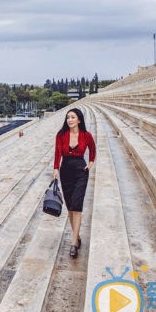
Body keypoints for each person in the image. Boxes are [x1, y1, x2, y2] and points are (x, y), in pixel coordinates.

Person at [53, 108, 96, 259]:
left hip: (80, 171)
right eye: (68, 118)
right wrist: (56, 169)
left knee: (77, 206)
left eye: (73, 117)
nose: (69, 120)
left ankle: (73, 243)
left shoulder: (86, 135)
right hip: (65, 171)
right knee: (70, 207)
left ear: (79, 120)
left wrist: (90, 163)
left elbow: (93, 149)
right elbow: (58, 153)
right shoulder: (61, 135)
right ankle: (76, 236)